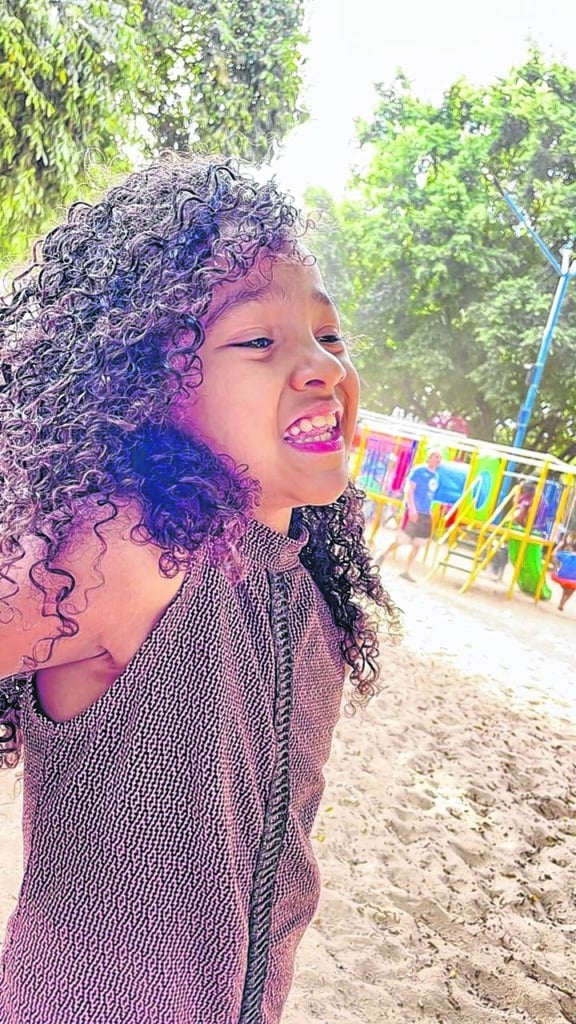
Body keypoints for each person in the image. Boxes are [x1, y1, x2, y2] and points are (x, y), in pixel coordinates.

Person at [0, 154, 399, 1024]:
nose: (322, 368)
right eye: (258, 341)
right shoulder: (135, 553)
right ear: (145, 389)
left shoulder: (315, 596)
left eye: (330, 337)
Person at [376, 449, 442, 582]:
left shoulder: (436, 476)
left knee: (418, 543)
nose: (437, 459)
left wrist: (428, 510)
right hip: (413, 511)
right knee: (402, 539)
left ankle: (406, 570)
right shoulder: (419, 471)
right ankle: (383, 555)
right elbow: (410, 491)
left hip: (425, 513)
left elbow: (430, 495)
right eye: (435, 456)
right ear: (429, 458)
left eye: (439, 457)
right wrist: (412, 508)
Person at [551, 535, 576, 611]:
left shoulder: (566, 554)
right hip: (572, 580)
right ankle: (563, 602)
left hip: (561, 577)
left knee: (567, 587)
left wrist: (559, 546)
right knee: (572, 589)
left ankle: (562, 601)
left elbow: (553, 554)